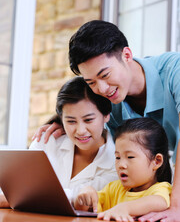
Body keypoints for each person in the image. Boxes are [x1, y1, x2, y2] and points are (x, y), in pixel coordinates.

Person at [33, 20, 180, 221]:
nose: (101, 89)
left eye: (105, 75)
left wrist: (177, 206)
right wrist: (64, 121)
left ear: (126, 55)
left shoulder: (175, 71)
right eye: (91, 82)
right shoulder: (111, 103)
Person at [0, 76, 118, 207]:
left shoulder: (118, 161)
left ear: (106, 115)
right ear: (61, 119)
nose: (80, 131)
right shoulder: (46, 143)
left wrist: (17, 197)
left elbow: (87, 201)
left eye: (88, 120)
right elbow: (17, 188)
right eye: (71, 121)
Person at [74, 118, 172, 222]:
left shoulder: (161, 189)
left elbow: (160, 202)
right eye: (117, 157)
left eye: (130, 157)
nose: (121, 165)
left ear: (157, 161)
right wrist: (84, 197)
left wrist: (124, 208)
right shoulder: (113, 189)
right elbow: (88, 209)